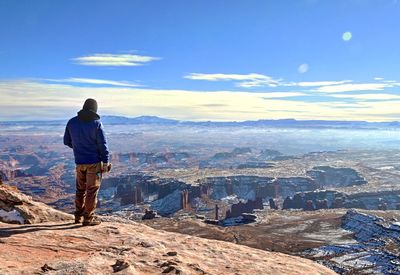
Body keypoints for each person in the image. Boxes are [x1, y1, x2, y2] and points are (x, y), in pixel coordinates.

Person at [63, 98, 111, 226]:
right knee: (91, 190)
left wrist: (79, 148)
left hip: (79, 162)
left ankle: (78, 216)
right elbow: (103, 145)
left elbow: (66, 141)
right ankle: (88, 218)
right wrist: (105, 162)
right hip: (94, 163)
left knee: (80, 190)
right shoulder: (96, 124)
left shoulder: (72, 122)